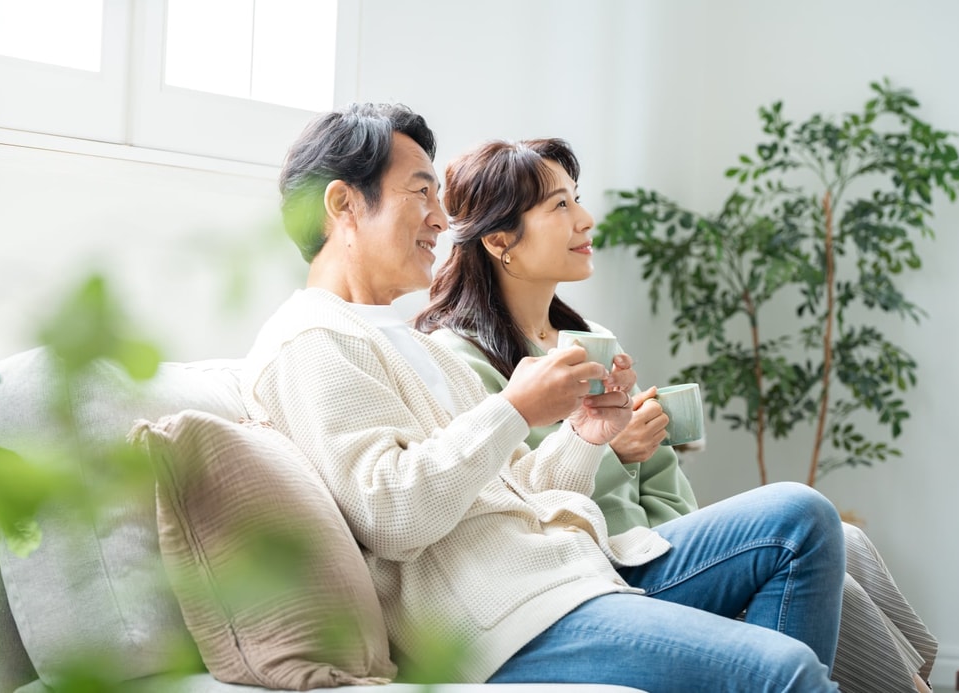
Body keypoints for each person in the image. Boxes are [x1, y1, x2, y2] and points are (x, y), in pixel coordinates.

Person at [241, 102, 846, 692]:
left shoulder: (403, 340)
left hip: (559, 577)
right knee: (784, 670)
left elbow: (518, 491)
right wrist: (514, 409)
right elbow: (392, 513)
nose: (439, 219)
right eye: (419, 192)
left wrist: (583, 435)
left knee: (801, 517)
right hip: (504, 622)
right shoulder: (310, 342)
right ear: (343, 204)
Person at [415, 136, 937, 693]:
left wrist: (700, 547)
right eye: (560, 205)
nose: (586, 220)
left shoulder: (587, 339)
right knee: (806, 525)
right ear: (500, 241)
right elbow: (507, 510)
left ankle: (909, 684)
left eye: (577, 198)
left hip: (651, 547)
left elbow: (663, 482)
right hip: (584, 568)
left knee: (845, 542)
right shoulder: (457, 360)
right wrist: (607, 450)